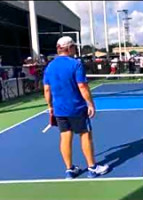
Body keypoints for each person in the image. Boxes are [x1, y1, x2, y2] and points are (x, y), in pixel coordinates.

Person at [43, 36, 109, 179]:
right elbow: (82, 86)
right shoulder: (76, 64)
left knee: (65, 137)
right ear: (69, 48)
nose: (75, 49)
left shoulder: (50, 66)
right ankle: (92, 168)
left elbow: (47, 90)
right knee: (85, 135)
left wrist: (50, 106)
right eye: (73, 46)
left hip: (59, 109)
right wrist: (90, 103)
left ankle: (69, 170)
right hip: (76, 108)